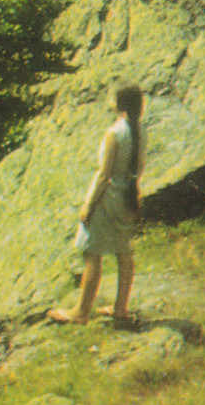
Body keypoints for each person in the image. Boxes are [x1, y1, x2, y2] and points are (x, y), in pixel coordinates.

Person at [49, 83, 146, 324]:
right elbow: (140, 166)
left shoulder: (115, 132)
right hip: (129, 193)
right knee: (124, 251)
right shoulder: (140, 130)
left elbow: (104, 174)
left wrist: (88, 205)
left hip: (109, 196)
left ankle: (81, 312)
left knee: (92, 252)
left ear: (119, 103)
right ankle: (120, 309)